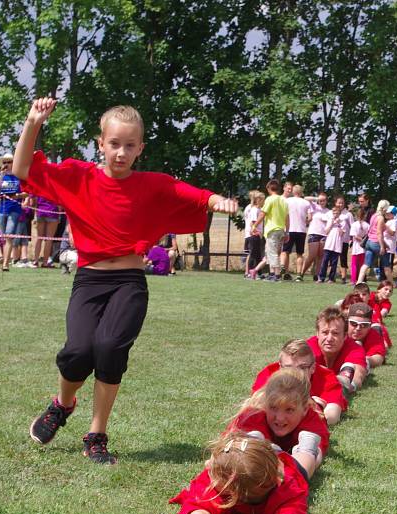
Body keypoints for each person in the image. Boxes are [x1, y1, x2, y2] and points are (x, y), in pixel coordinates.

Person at [14, 98, 237, 464]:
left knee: (110, 348)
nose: (121, 152)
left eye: (130, 145)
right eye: (114, 144)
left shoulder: (153, 185)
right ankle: (62, 405)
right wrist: (33, 122)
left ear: (140, 149)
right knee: (77, 353)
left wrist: (219, 201)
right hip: (89, 280)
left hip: (129, 281)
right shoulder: (77, 176)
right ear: (100, 143)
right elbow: (23, 168)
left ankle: (97, 434)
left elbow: (194, 195)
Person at [171, 432, 309, 514]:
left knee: (306, 465)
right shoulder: (215, 483)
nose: (206, 465)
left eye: (211, 467)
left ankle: (306, 448)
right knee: (251, 451)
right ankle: (256, 437)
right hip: (261, 456)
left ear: (232, 491)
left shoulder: (288, 489)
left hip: (285, 465)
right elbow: (200, 506)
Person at [229, 368, 328, 479]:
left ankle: (318, 403)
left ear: (305, 409)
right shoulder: (253, 416)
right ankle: (260, 446)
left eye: (289, 410)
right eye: (273, 408)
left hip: (306, 430)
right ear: (266, 403)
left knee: (313, 452)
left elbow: (316, 457)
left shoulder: (312, 420)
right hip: (255, 438)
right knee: (247, 452)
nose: (280, 418)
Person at [251, 339, 347, 426]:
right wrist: (311, 407)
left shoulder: (326, 378)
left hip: (339, 384)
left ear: (313, 368)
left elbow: (332, 416)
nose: (295, 373)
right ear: (280, 367)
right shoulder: (269, 373)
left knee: (345, 384)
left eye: (302, 368)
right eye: (289, 367)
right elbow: (256, 407)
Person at [306, 306, 367, 395]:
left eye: (335, 333)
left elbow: (358, 375)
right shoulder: (308, 348)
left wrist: (348, 386)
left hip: (345, 374)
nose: (329, 338)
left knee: (360, 367)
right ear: (317, 333)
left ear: (345, 336)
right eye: (325, 332)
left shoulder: (354, 348)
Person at [0, 153, 26, 272]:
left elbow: (27, 192)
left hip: (15, 210)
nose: (6, 164)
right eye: (4, 162)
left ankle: (6, 264)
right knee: (4, 237)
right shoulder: (2, 176)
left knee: (8, 236)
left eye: (9, 162)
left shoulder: (18, 176)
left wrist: (18, 196)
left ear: (14, 163)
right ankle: (3, 264)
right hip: (2, 210)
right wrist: (1, 175)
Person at [252, 179, 288, 282]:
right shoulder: (283, 200)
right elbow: (287, 217)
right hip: (281, 229)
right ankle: (272, 274)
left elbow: (263, 214)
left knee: (272, 253)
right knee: (269, 252)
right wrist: (287, 231)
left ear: (269, 188)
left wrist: (254, 226)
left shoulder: (270, 199)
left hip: (272, 230)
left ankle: (276, 276)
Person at [281, 185, 311, 281]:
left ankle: (284, 269)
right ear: (301, 192)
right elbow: (310, 218)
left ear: (293, 192)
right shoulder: (306, 203)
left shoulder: (287, 201)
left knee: (285, 251)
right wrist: (304, 222)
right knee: (299, 253)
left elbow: (283, 214)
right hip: (301, 230)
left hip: (289, 229)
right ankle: (299, 274)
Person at [357, 199, 390, 284]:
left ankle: (359, 281)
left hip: (369, 242)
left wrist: (385, 244)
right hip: (376, 243)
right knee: (386, 264)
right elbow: (379, 233)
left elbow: (372, 230)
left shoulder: (374, 215)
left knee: (366, 264)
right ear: (384, 208)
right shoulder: (381, 218)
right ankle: (391, 283)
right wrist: (383, 246)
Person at [346, 303, 386, 371]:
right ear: (346, 322)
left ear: (370, 326)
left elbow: (379, 357)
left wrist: (365, 360)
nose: (358, 328)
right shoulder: (339, 332)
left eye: (364, 325)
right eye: (353, 323)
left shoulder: (373, 334)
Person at [302, 192, 329, 280]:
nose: (322, 202)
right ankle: (301, 272)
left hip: (324, 234)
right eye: (320, 200)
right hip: (314, 233)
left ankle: (317, 275)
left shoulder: (329, 211)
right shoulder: (314, 207)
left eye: (324, 200)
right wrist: (317, 199)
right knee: (312, 256)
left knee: (320, 256)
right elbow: (305, 198)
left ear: (326, 201)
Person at [317, 201, 345, 283]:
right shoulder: (330, 220)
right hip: (329, 244)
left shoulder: (342, 222)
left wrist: (339, 224)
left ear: (339, 214)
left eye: (336, 213)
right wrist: (332, 223)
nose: (335, 214)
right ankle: (321, 277)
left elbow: (342, 233)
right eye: (334, 213)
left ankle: (331, 278)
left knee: (334, 263)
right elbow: (326, 232)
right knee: (325, 261)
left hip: (337, 246)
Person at [31, 193, 60, 267]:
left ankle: (35, 261)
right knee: (49, 239)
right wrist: (59, 214)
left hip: (40, 212)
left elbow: (33, 200)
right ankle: (45, 262)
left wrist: (35, 213)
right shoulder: (55, 185)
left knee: (39, 238)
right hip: (52, 212)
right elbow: (60, 201)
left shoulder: (39, 184)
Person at [244, 190, 265, 279]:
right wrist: (258, 232)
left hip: (256, 236)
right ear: (257, 200)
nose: (263, 201)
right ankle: (249, 273)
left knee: (258, 255)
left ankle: (259, 273)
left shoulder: (259, 209)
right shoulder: (254, 210)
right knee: (252, 254)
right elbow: (252, 223)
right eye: (262, 200)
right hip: (253, 236)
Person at [349, 207, 368, 285]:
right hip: (364, 248)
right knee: (361, 265)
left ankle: (353, 280)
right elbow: (368, 236)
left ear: (356, 216)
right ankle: (360, 279)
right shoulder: (367, 225)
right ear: (365, 215)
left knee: (354, 264)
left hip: (356, 248)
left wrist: (360, 240)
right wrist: (363, 240)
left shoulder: (354, 224)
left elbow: (354, 236)